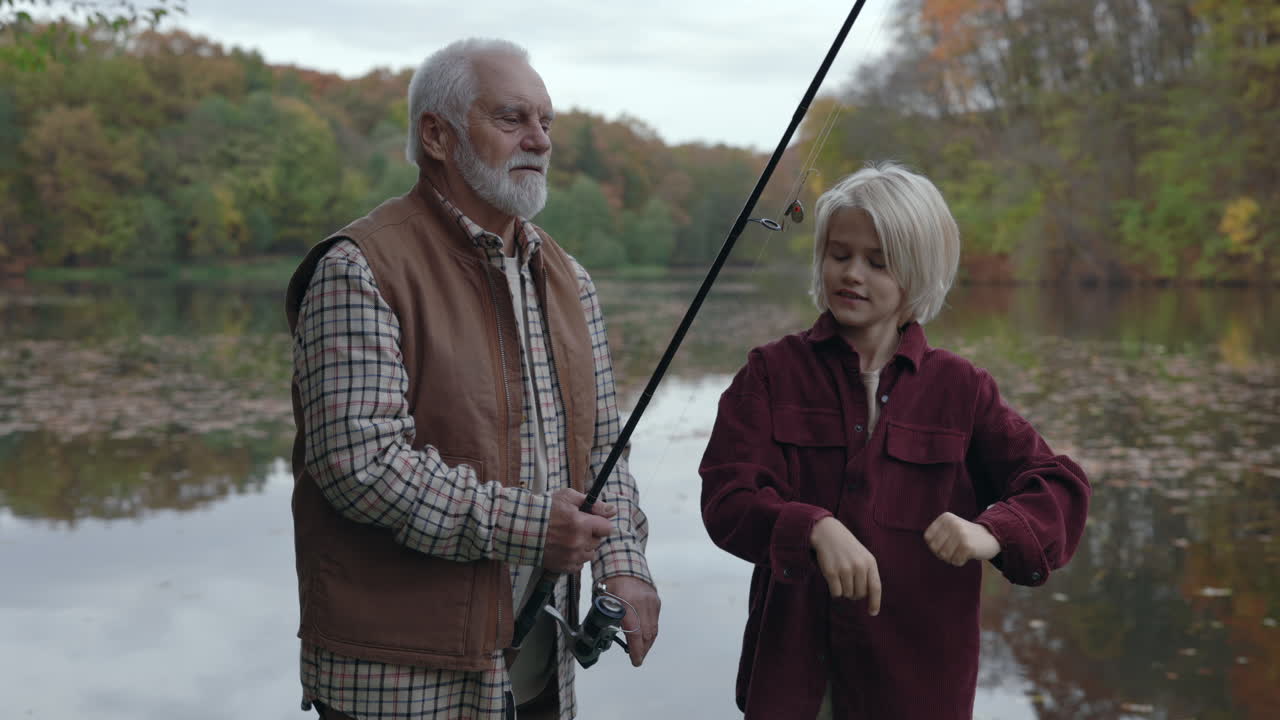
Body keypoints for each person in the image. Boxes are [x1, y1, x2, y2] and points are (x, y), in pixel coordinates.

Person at [284, 38, 660, 720]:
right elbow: (358, 466)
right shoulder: (359, 267)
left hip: (538, 668)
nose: (539, 140)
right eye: (513, 118)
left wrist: (623, 564)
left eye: (547, 122)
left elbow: (606, 448)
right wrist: (532, 526)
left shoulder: (571, 280)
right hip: (399, 680)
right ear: (437, 134)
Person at [698, 162, 1091, 719]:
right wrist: (812, 527)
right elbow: (726, 499)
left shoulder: (962, 389)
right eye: (840, 254)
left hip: (917, 690)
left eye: (878, 262)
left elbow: (1059, 489)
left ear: (919, 273)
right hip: (791, 685)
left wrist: (990, 533)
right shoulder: (769, 372)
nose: (853, 273)